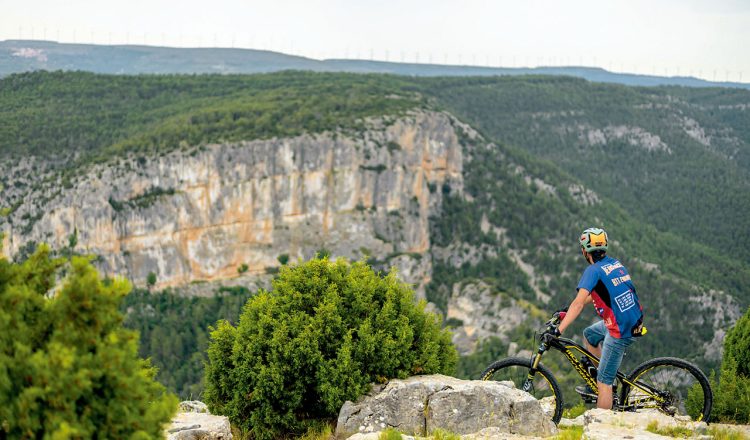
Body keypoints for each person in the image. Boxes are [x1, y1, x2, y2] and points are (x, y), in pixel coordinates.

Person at [554, 227, 644, 410]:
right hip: (630, 319)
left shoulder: (593, 271)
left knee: (604, 383)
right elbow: (596, 294)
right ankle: (604, 374)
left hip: (619, 329)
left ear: (584, 251)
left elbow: (578, 304)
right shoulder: (614, 264)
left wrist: (559, 329)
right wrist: (567, 309)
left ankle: (604, 413)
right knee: (590, 335)